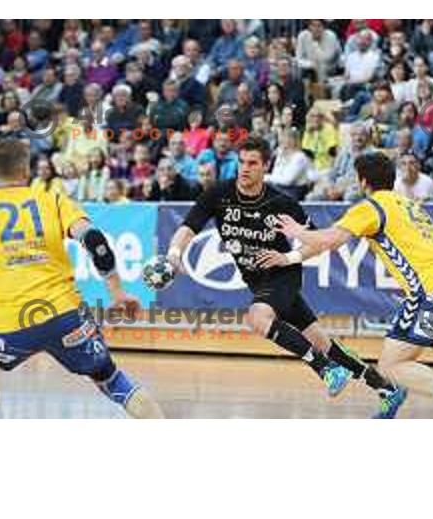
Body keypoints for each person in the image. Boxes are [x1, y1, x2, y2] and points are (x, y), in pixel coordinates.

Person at [275, 151, 433, 418]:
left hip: (432, 290)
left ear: (363, 182)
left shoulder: (370, 207)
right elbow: (325, 244)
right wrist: (289, 258)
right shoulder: (408, 205)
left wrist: (297, 233)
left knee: (392, 365)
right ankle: (415, 399)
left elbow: (329, 241)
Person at [167, 137, 406, 418]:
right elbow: (189, 226)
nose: (245, 169)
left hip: (283, 276)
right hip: (257, 281)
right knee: (323, 344)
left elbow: (316, 242)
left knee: (257, 318)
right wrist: (174, 252)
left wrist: (288, 257)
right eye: (241, 162)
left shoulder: (281, 202)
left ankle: (325, 369)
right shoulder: (218, 194)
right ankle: (388, 389)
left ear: (265, 165)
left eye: (252, 163)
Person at [0, 139, 162, 418]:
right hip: (67, 315)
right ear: (26, 170)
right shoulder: (52, 201)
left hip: (12, 322)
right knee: (112, 380)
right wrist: (117, 292)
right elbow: (94, 240)